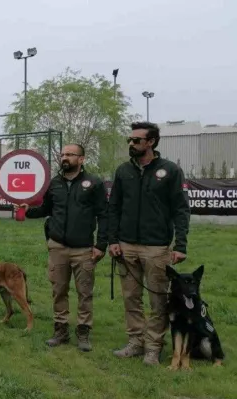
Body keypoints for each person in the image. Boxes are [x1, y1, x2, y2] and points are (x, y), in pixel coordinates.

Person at [108, 121, 190, 366]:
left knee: (158, 300)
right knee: (131, 298)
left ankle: (153, 347)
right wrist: (113, 240)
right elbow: (114, 208)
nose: (131, 144)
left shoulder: (170, 171)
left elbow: (181, 209)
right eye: (130, 140)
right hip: (126, 245)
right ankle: (135, 342)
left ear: (151, 142)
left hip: (157, 247)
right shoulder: (123, 171)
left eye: (136, 140)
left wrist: (181, 245)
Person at [15, 144, 108, 352]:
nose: (64, 157)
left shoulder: (94, 183)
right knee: (59, 291)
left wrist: (101, 244)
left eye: (70, 154)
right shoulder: (54, 183)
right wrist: (28, 211)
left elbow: (104, 214)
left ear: (81, 159)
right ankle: (61, 331)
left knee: (85, 293)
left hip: (84, 248)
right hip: (57, 247)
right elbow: (46, 209)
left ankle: (83, 333)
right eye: (62, 154)